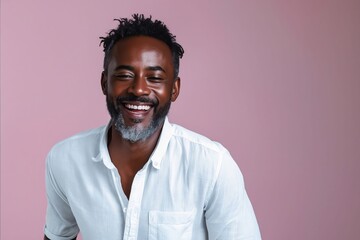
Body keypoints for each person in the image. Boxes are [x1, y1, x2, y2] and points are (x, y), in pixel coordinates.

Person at [44, 14, 261, 240]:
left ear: (174, 89)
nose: (138, 89)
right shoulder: (64, 160)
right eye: (124, 75)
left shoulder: (212, 166)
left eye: (154, 78)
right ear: (104, 83)